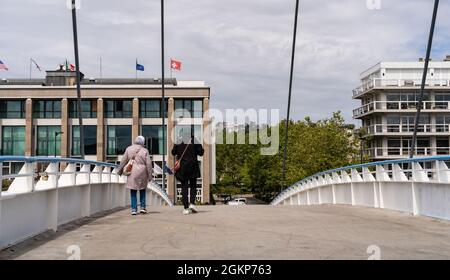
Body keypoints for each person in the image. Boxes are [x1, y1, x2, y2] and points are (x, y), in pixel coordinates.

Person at [118, 136, 153, 215]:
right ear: (143, 142)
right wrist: (150, 175)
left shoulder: (128, 149)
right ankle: (143, 208)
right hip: (143, 171)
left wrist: (120, 171)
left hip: (132, 171)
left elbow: (123, 161)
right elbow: (149, 164)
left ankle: (134, 209)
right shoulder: (145, 150)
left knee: (133, 190)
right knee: (142, 189)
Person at [171, 134, 204, 215]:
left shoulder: (178, 141)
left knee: (184, 187)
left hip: (183, 168)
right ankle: (192, 204)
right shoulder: (194, 141)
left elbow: (173, 152)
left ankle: (186, 208)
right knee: (193, 186)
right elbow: (201, 152)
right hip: (193, 167)